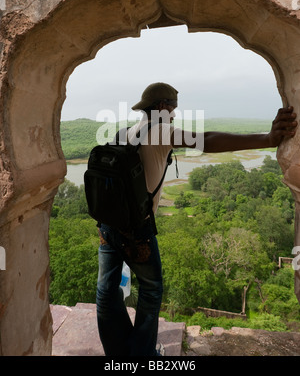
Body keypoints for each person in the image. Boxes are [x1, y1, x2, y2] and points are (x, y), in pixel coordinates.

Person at [96, 82, 297, 357]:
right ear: (162, 107)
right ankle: (142, 357)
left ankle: (117, 353)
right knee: (152, 290)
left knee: (106, 289)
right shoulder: (161, 130)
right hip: (136, 228)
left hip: (108, 224)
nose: (175, 114)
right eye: (173, 108)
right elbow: (207, 140)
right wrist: (267, 139)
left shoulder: (123, 133)